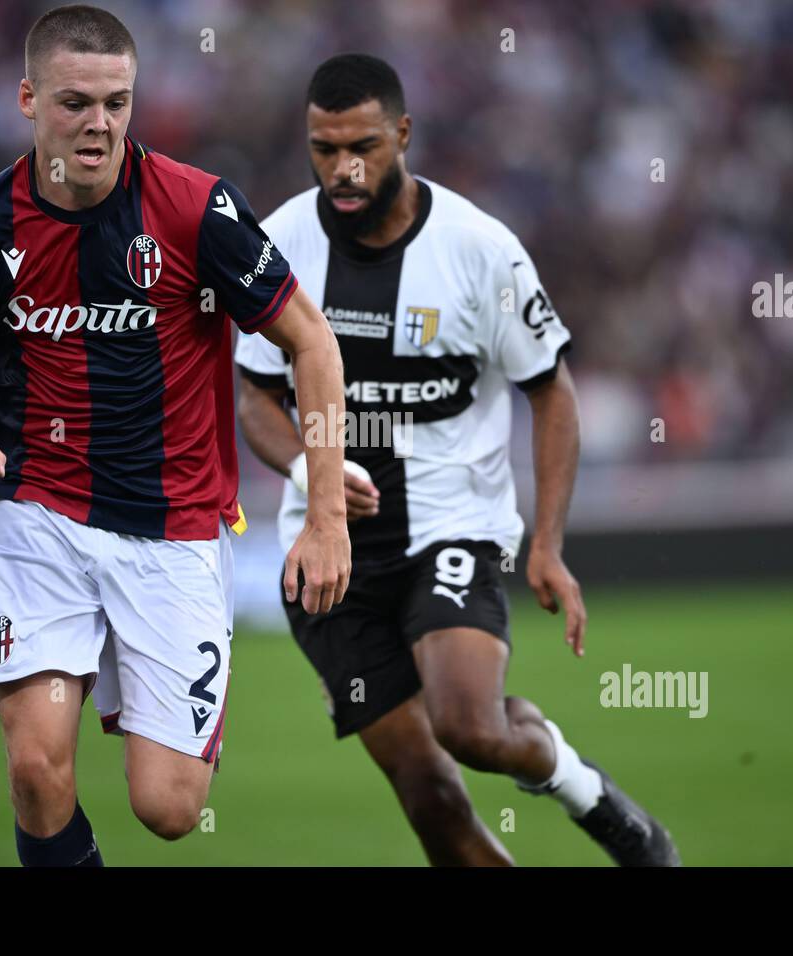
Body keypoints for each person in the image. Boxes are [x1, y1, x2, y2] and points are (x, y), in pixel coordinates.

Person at [0, 4, 349, 866]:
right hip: (41, 512)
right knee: (37, 769)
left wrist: (325, 516)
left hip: (176, 528)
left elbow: (313, 341)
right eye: (76, 102)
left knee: (169, 808)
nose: (99, 123)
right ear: (28, 99)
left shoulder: (198, 210)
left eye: (117, 102)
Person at [235, 53, 678, 866]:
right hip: (328, 555)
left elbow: (552, 392)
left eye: (362, 145)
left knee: (470, 729)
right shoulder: (280, 243)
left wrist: (545, 543)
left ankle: (586, 791)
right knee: (431, 798)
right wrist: (310, 471)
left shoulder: (482, 250)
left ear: (403, 133)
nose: (343, 168)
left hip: (452, 523)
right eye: (324, 148)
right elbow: (256, 398)